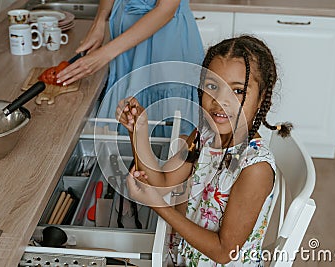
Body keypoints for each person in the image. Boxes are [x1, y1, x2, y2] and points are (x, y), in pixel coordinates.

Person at [116, 35, 293, 266]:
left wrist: (158, 206)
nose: (220, 100)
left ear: (261, 98)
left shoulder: (255, 168)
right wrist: (138, 132)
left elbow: (223, 252)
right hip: (180, 255)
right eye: (212, 86)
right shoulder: (204, 135)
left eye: (238, 91)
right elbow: (162, 181)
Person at [56, 0, 204, 136]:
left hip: (165, 41)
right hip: (126, 44)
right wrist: (99, 22)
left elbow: (165, 9)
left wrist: (105, 54)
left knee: (170, 134)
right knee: (130, 120)